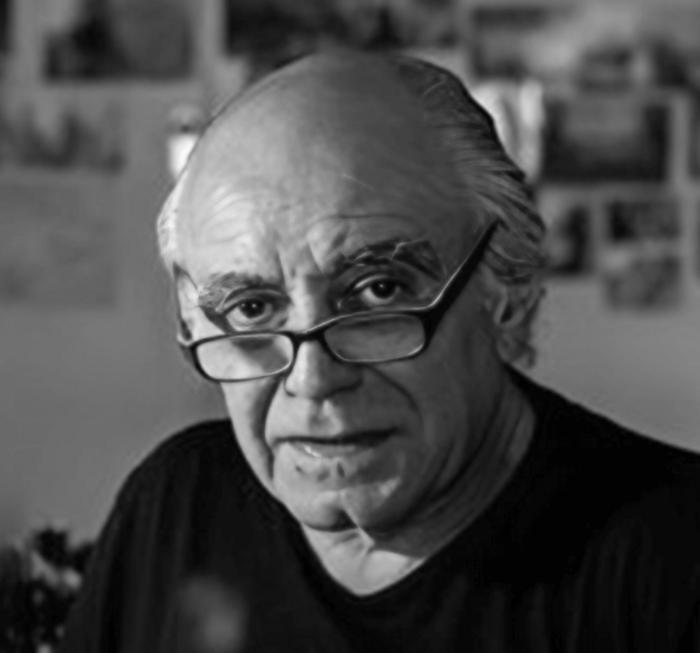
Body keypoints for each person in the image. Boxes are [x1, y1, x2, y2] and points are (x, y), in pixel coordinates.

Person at [60, 51, 700, 653]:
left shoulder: (672, 556)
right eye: (251, 308)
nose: (313, 378)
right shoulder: (176, 506)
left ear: (506, 293)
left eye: (378, 290)